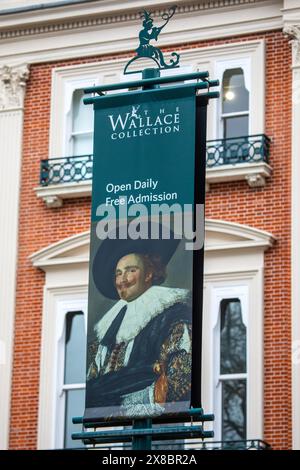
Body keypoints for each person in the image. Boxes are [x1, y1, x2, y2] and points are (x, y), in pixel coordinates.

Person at [86, 227, 192, 418]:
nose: (122, 280)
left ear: (149, 273)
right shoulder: (108, 328)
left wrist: (114, 400)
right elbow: (92, 388)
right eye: (118, 273)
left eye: (130, 270)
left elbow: (176, 384)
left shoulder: (174, 316)